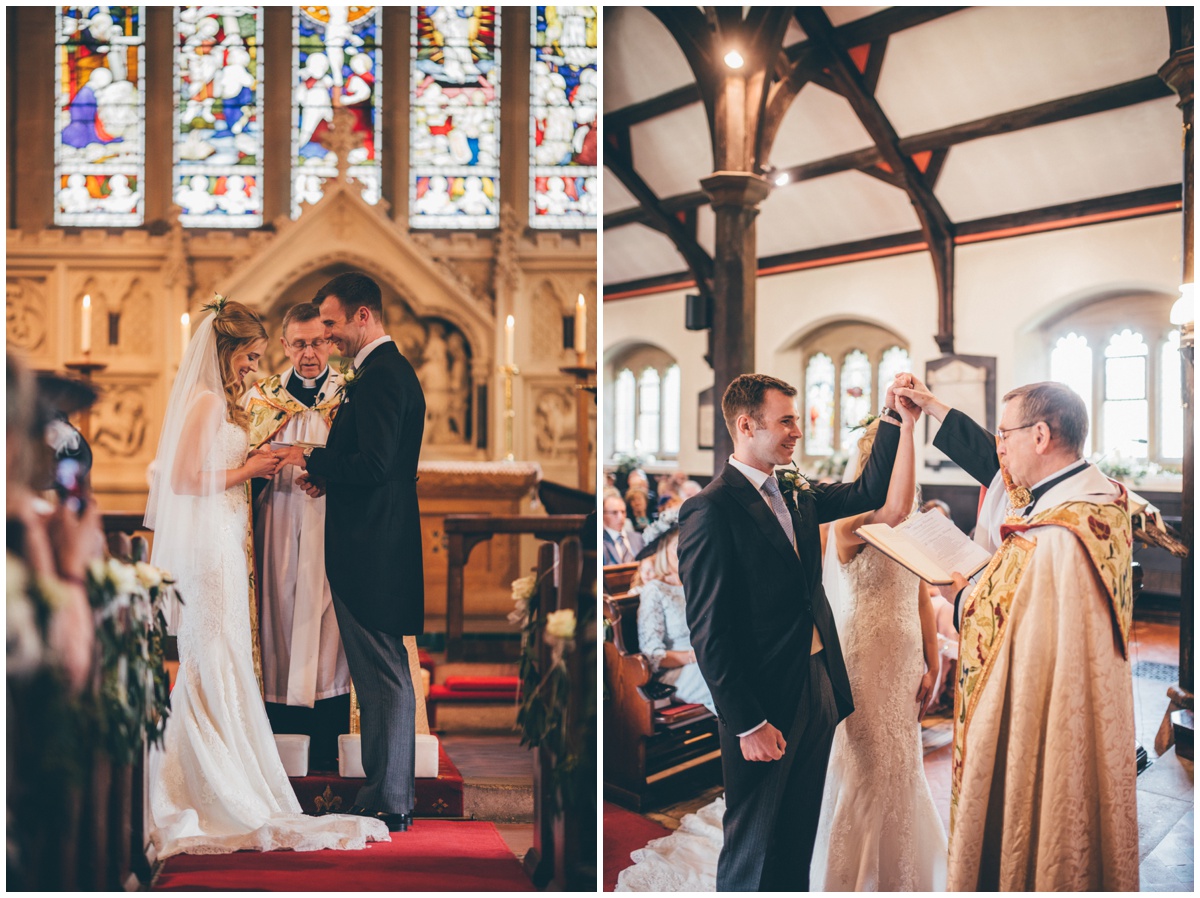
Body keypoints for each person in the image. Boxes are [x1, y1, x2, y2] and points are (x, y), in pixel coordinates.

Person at [144, 299, 387, 858]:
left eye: (318, 341)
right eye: (252, 356)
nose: (257, 367)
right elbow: (184, 477)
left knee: (225, 654)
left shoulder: (261, 397)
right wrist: (254, 467)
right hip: (226, 540)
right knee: (219, 652)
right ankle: (209, 770)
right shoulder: (219, 400)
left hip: (235, 535)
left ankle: (224, 763)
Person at [894, 377, 1138, 890]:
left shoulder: (1052, 536)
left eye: (1005, 434)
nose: (999, 446)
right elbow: (995, 463)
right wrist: (935, 407)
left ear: (1042, 436)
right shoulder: (1100, 497)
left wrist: (960, 597)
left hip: (1044, 702)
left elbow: (995, 620)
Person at [677, 373, 902, 891]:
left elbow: (869, 490)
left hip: (817, 682)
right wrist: (747, 721)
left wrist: (891, 417)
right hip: (762, 699)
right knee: (754, 839)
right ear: (747, 424)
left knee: (798, 830)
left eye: (795, 419)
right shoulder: (710, 510)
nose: (796, 431)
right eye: (786, 420)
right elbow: (710, 631)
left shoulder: (797, 492)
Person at [275, 273, 425, 833]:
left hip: (373, 548)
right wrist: (328, 477)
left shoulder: (383, 375)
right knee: (379, 675)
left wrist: (309, 461)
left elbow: (377, 465)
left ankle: (393, 797)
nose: (328, 336)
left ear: (364, 316)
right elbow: (370, 464)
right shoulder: (382, 371)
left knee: (385, 676)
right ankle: (384, 790)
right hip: (374, 539)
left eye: (333, 324)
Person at [810, 414, 946, 891]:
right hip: (865, 656)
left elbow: (921, 594)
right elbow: (892, 508)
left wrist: (934, 660)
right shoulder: (850, 523)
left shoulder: (914, 524)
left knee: (901, 761)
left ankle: (900, 871)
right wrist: (907, 429)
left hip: (905, 655)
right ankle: (854, 876)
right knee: (868, 763)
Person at [243, 303, 348, 770]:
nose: (309, 353)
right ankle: (278, 743)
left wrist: (324, 471)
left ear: (331, 341)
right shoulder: (262, 399)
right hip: (278, 524)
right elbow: (243, 464)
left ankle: (327, 741)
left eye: (318, 342)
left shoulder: (350, 395)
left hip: (332, 524)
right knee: (279, 615)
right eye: (299, 344)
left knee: (328, 625)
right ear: (284, 346)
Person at [634, 510, 714, 713]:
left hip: (707, 662)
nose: (685, 552)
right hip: (675, 674)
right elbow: (652, 655)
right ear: (663, 551)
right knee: (722, 679)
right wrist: (695, 656)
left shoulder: (697, 583)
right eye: (677, 548)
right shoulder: (655, 590)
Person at [602, 491, 642, 565]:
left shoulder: (638, 538)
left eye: (623, 512)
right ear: (603, 515)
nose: (621, 517)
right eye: (614, 512)